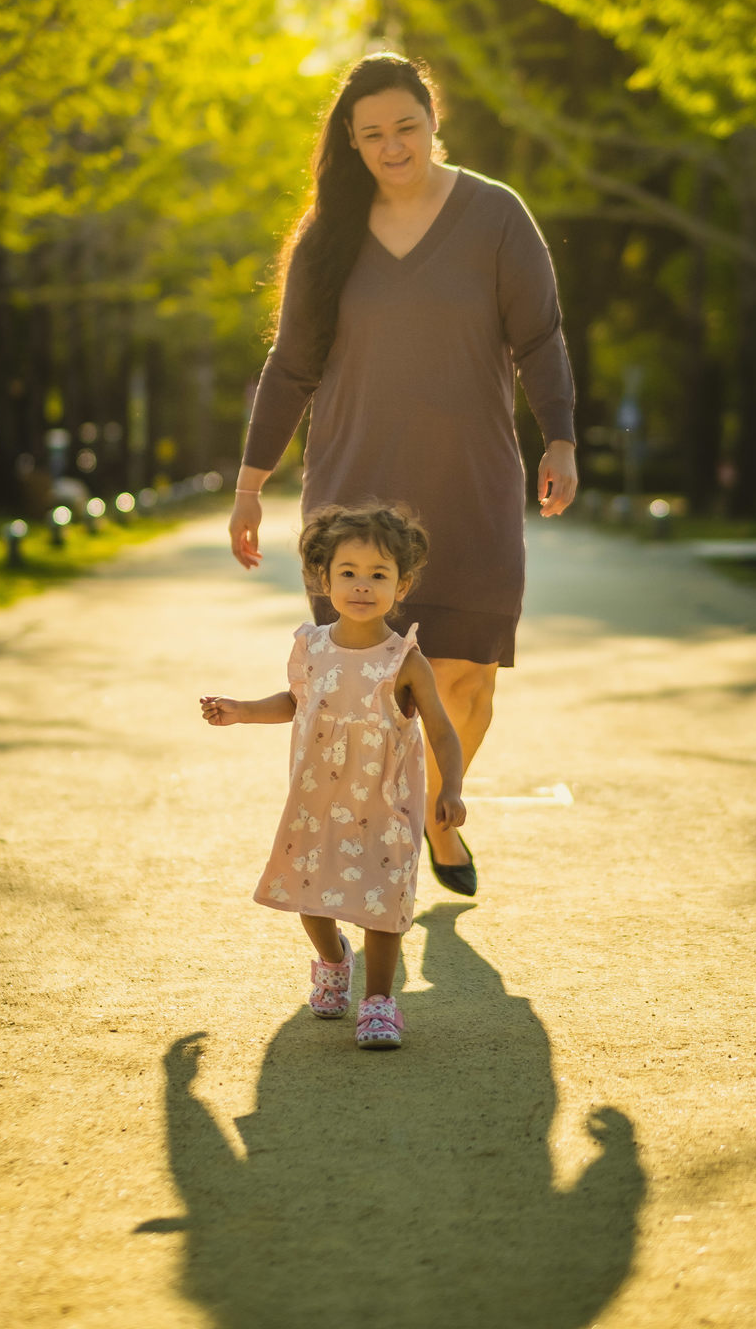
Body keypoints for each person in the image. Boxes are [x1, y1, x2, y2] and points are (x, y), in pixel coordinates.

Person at [230, 52, 577, 897]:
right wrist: (249, 484)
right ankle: (375, 854)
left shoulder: (496, 216)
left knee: (465, 676)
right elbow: (290, 366)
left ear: (434, 122)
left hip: (471, 483)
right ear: (350, 144)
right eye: (372, 134)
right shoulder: (328, 239)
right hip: (355, 491)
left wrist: (560, 439)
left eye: (406, 127)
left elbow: (540, 337)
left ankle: (432, 808)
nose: (393, 146)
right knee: (359, 685)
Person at [200, 503, 465, 1051]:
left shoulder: (404, 661)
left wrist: (453, 788)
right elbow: (296, 702)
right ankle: (332, 960)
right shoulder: (311, 646)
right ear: (325, 579)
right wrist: (243, 709)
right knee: (308, 893)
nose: (361, 586)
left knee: (381, 897)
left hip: (384, 800)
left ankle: (379, 1002)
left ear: (402, 583)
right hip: (317, 797)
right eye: (348, 573)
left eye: (378, 575)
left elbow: (442, 731)